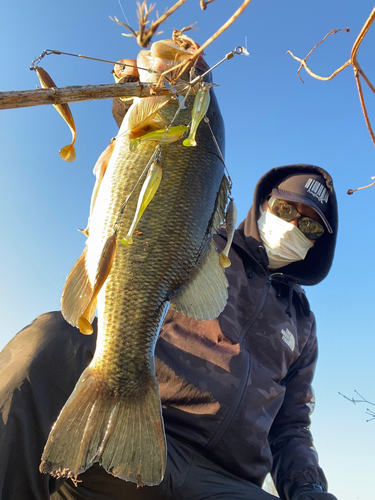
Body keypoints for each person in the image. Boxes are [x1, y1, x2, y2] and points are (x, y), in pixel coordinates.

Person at [0, 163, 339, 500]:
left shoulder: (302, 321)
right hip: (136, 435)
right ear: (264, 203)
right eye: (284, 208)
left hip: (226, 484)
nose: (293, 225)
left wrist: (308, 486)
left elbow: (291, 426)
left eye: (309, 225)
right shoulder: (198, 243)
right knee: (51, 338)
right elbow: (150, 180)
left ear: (317, 242)